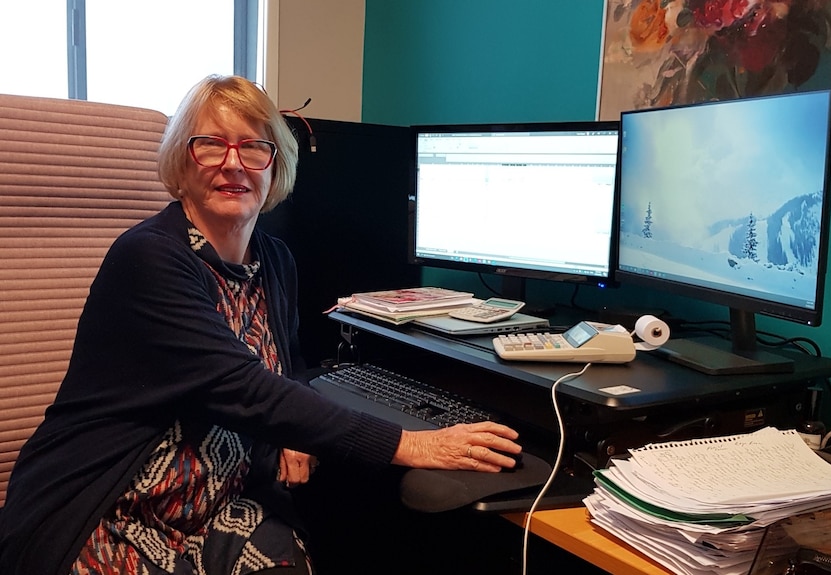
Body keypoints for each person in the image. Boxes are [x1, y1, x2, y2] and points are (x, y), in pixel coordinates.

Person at [0, 74, 521, 575]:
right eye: (211, 145)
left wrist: (297, 432)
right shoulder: (148, 258)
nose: (234, 165)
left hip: (226, 503)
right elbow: (238, 384)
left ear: (276, 166)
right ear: (183, 159)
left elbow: (284, 370)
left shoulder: (273, 260)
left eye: (254, 147)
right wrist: (410, 444)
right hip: (110, 504)